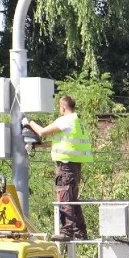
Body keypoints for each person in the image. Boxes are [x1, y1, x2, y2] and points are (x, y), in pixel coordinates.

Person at [22, 95, 92, 240]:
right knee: (72, 198)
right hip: (75, 165)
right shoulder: (78, 122)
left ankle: (67, 232)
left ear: (63, 107)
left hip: (65, 166)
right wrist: (38, 146)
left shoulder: (65, 120)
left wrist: (28, 121)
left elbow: (41, 132)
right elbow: (59, 142)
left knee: (64, 195)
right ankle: (80, 232)